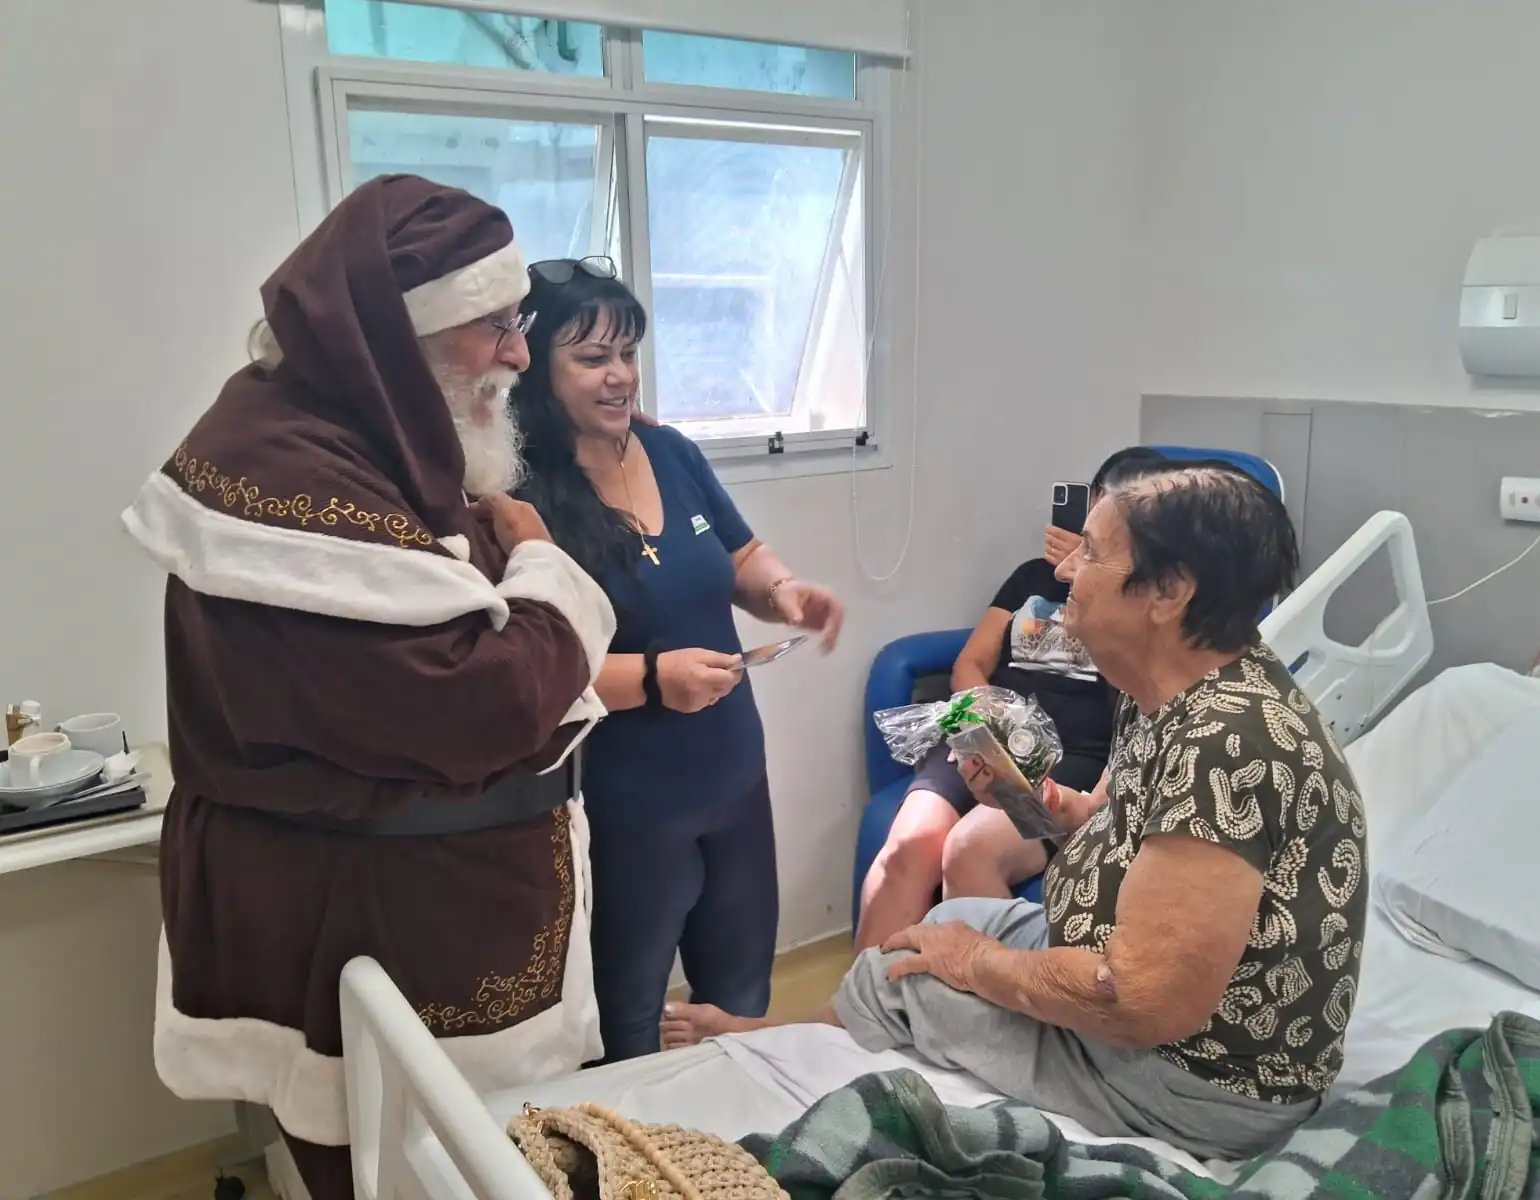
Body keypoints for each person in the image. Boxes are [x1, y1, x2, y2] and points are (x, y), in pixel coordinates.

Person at [119, 176, 617, 1200]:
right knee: (399, 1174)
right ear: (402, 339)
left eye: (517, 321)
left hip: (405, 911)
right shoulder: (288, 476)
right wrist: (540, 560)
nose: (519, 354)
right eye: (494, 327)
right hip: (374, 923)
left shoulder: (365, 429)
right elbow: (484, 707)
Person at [663, 464, 1368, 1163]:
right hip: (1132, 989)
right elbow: (1113, 825)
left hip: (1197, 1079)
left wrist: (976, 964)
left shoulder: (1226, 741)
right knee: (931, 928)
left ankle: (791, 1087)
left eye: (1091, 552)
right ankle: (807, 1039)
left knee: (903, 980)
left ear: (1168, 592)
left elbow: (1145, 1003)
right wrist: (1037, 802)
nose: (1066, 574)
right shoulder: (1177, 688)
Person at [510, 258, 845, 1062]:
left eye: (628, 353)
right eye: (592, 359)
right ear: (535, 370)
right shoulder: (519, 496)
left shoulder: (672, 453)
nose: (621, 376)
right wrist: (656, 680)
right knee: (628, 1016)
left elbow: (742, 557)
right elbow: (530, 673)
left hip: (733, 774)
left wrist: (787, 591)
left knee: (740, 997)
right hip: (627, 803)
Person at [855, 447, 1168, 951]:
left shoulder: (1141, 606)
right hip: (989, 732)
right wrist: (985, 713)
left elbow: (1139, 701)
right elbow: (969, 662)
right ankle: (861, 1015)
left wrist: (1097, 573)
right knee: (908, 846)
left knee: (971, 846)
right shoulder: (1030, 577)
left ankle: (980, 1018)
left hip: (1070, 757)